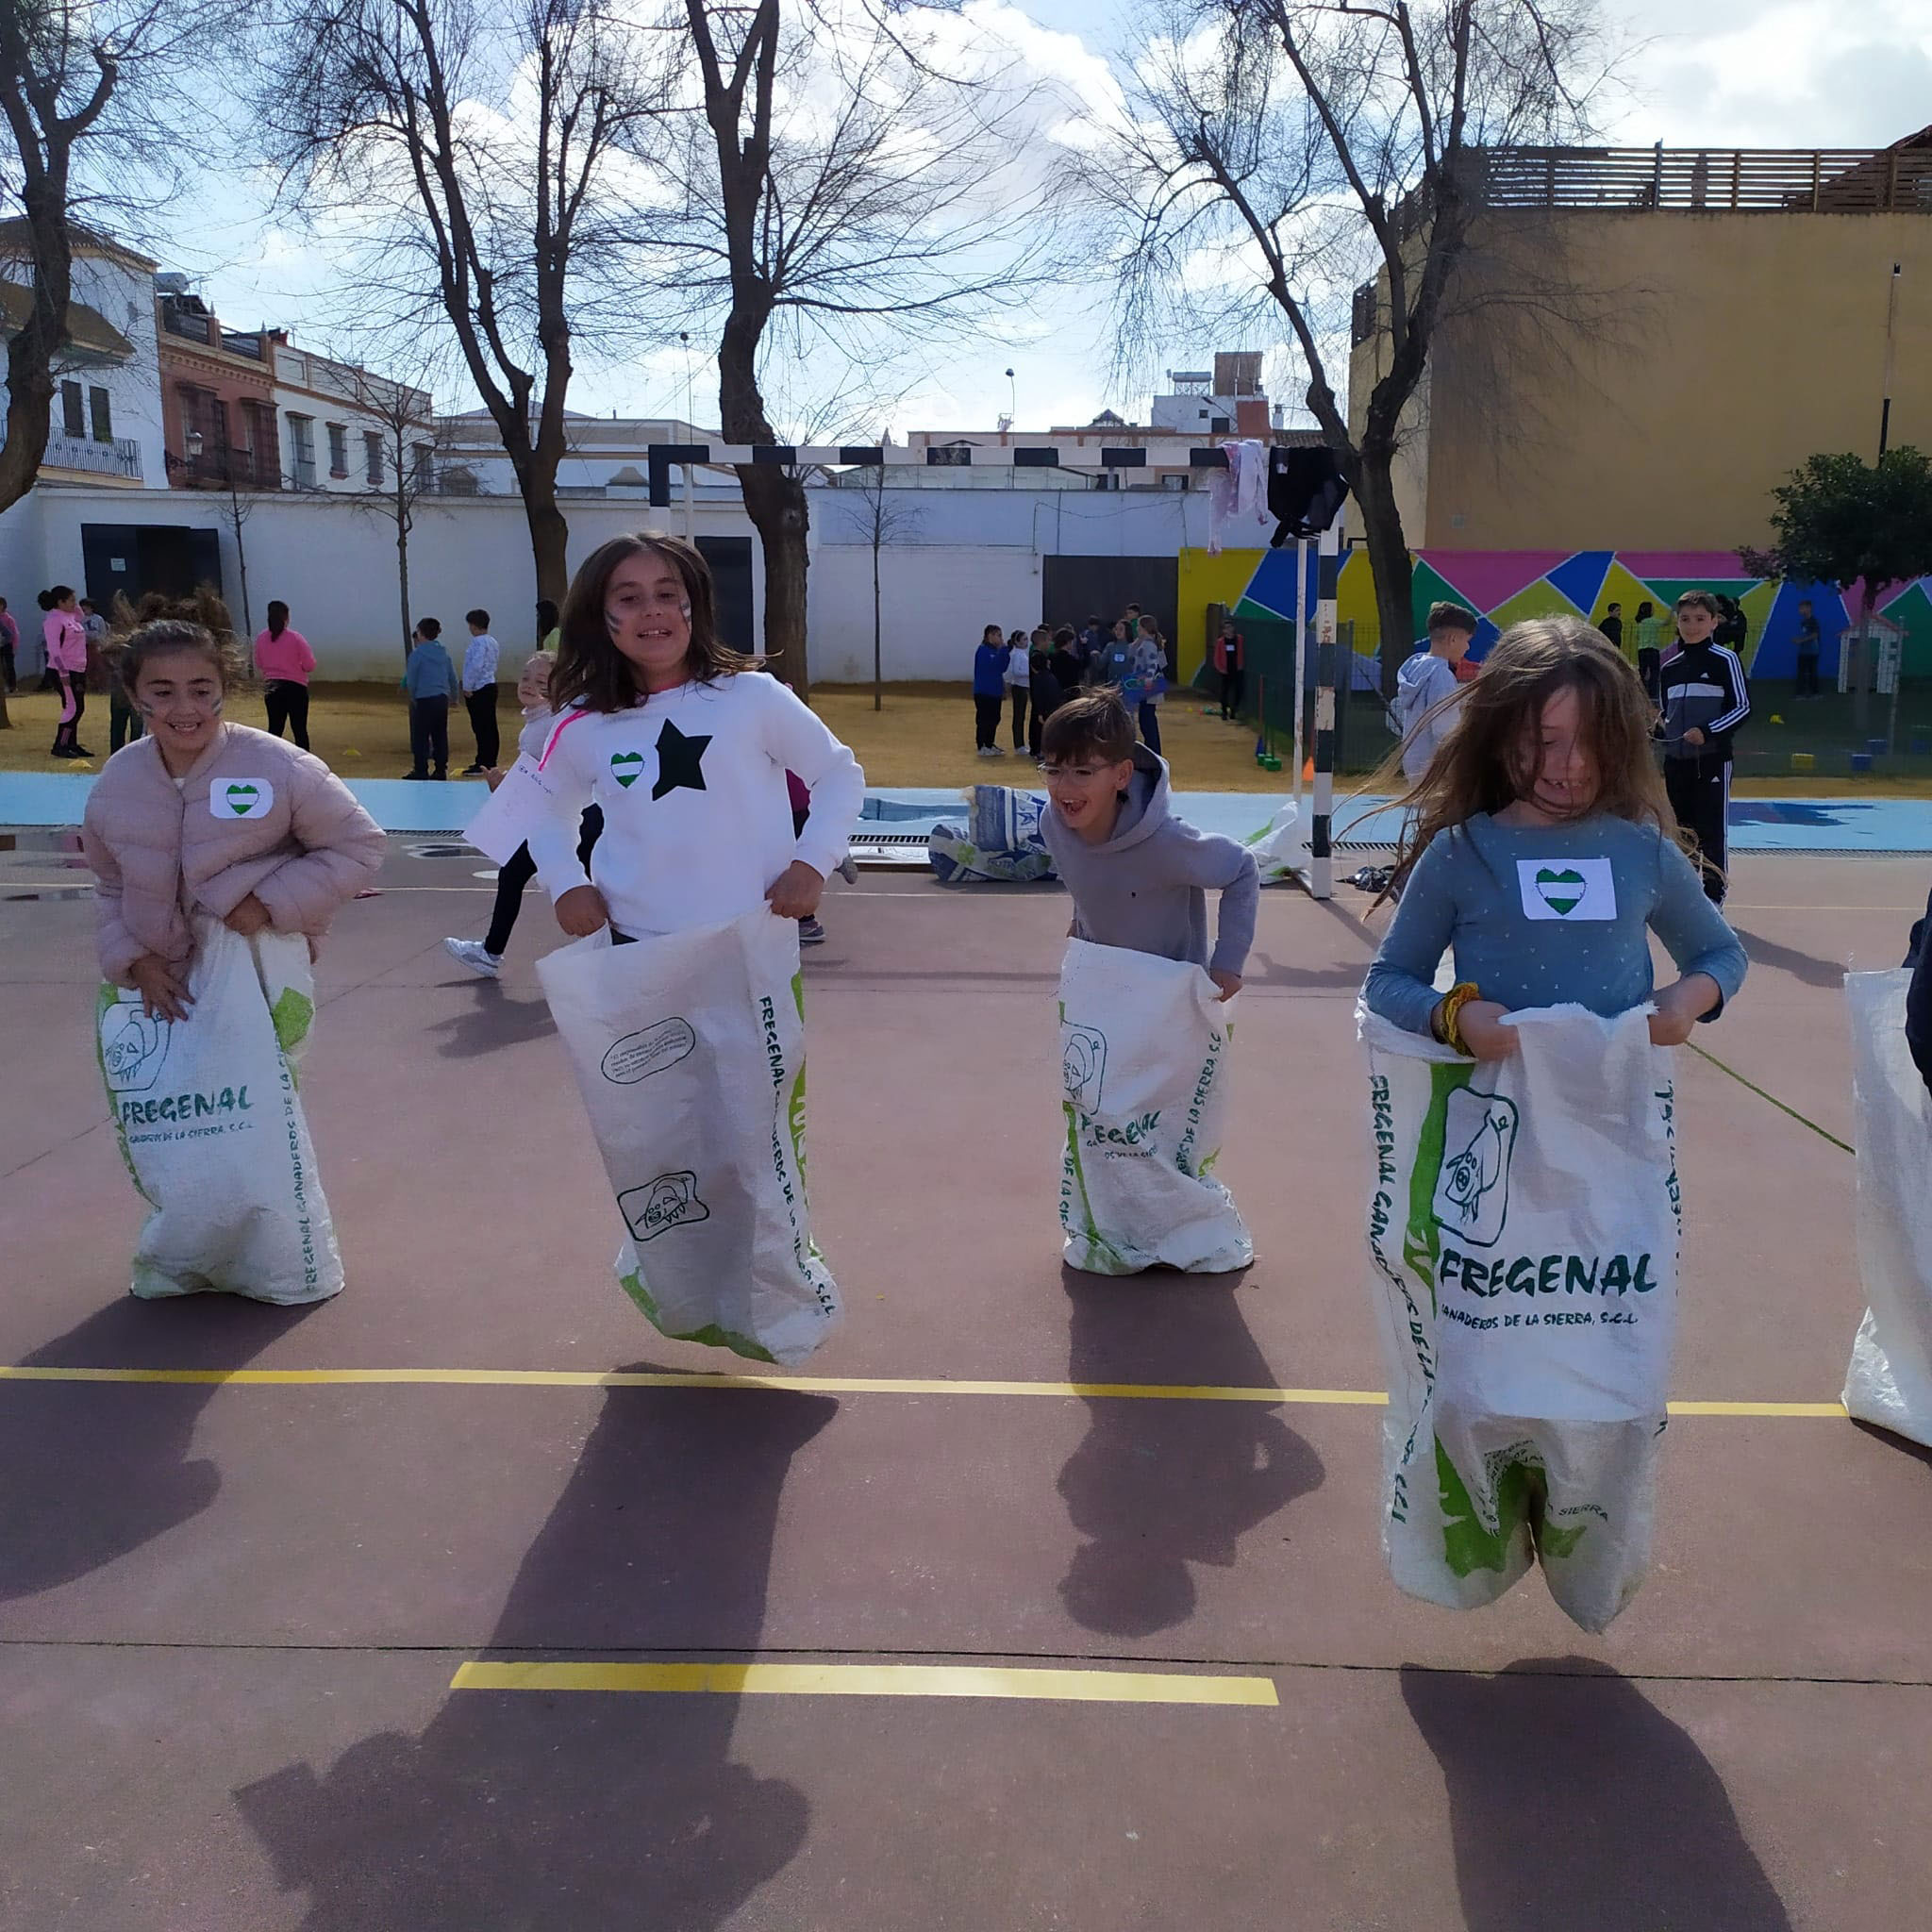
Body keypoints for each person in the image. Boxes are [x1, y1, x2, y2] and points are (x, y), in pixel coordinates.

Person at [78, 610, 384, 1297]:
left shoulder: (278, 766)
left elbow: (358, 846)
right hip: (159, 983)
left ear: (226, 687)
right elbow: (109, 884)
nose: (184, 708)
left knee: (254, 1125)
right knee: (177, 1130)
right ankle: (186, 1258)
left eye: (201, 689)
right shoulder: (119, 782)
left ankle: (282, 1265)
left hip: (259, 969)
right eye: (162, 692)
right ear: (133, 695)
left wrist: (269, 903)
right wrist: (135, 959)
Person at [1363, 616, 1746, 1067]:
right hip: (1493, 1105)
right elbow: (1388, 980)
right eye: (1545, 741)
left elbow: (1721, 953)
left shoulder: (1644, 850)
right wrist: (1451, 1016)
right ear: (1498, 738)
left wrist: (1685, 1002)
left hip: (1619, 1103)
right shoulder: (1459, 853)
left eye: (1595, 741)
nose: (1573, 763)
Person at [522, 530, 864, 955]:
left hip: (756, 940)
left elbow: (837, 773)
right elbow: (546, 808)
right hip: (633, 945)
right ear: (597, 614)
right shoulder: (581, 722)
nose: (652, 610)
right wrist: (566, 882)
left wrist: (812, 862)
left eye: (668, 594)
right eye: (629, 598)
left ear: (696, 605)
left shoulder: (754, 696)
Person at [1038, 688, 1257, 1002]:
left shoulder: (1165, 842)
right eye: (1053, 770)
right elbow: (1087, 868)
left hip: (1172, 995)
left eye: (1083, 772)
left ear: (1122, 775)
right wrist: (1079, 922)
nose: (1064, 787)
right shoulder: (1053, 824)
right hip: (1103, 982)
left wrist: (1228, 962)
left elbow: (1242, 869)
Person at [445, 652, 604, 979]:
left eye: (541, 681)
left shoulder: (545, 726)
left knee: (580, 886)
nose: (529, 685)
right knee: (524, 876)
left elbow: (540, 784)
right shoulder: (542, 721)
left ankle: (609, 954)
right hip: (572, 817)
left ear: (560, 687)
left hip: (574, 820)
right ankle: (492, 952)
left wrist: (503, 786)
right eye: (526, 677)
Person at [1657, 591, 1750, 907]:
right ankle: (1687, 898)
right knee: (1680, 832)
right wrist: (1658, 728)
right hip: (1676, 763)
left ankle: (1714, 897)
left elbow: (1742, 707)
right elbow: (1666, 713)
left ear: (1714, 622)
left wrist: (1708, 732)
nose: (1692, 626)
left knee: (1710, 830)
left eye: (1700, 619)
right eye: (1685, 619)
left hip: (1712, 760)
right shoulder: (1670, 668)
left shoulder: (1725, 660)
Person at [1391, 602, 1476, 784]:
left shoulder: (1415, 669)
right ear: (1453, 639)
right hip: (1436, 769)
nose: (1467, 648)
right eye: (1467, 641)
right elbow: (1445, 729)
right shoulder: (1441, 675)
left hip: (1414, 763)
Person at [255, 600, 316, 750]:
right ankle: (305, 759)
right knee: (299, 729)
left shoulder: (261, 638)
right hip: (296, 688)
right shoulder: (296, 638)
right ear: (286, 618)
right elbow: (310, 665)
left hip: (272, 688)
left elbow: (259, 663)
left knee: (275, 729)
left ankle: (269, 759)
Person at [402, 616, 458, 780]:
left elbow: (412, 679)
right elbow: (452, 677)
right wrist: (454, 696)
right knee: (440, 734)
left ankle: (421, 769)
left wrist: (413, 696)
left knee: (421, 735)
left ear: (420, 633)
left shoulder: (417, 654)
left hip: (424, 698)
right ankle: (440, 769)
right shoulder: (444, 654)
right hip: (441, 698)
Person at [41, 586, 90, 758]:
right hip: (64, 669)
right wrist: (63, 673)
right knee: (73, 708)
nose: (74, 604)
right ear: (60, 602)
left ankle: (71, 743)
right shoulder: (54, 620)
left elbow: (81, 615)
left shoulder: (71, 616)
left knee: (76, 707)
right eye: (70, 600)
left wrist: (74, 605)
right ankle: (60, 745)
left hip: (78, 668)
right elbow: (54, 650)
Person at [459, 608, 501, 774]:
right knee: (489, 726)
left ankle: (484, 761)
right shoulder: (492, 641)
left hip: (479, 688)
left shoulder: (478, 643)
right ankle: (489, 760)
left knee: (481, 727)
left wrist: (467, 687)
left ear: (474, 625)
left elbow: (475, 666)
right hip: (490, 685)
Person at [1128, 615, 1168, 756]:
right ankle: (1153, 750)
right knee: (1147, 718)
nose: (1137, 628)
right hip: (1145, 683)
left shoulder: (1148, 644)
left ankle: (1153, 751)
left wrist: (1149, 680)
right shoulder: (1147, 643)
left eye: (1139, 626)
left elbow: (1152, 664)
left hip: (1147, 685)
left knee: (1147, 719)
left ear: (1144, 627)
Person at [972, 622, 1008, 757]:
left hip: (995, 691)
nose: (1001, 638)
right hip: (984, 692)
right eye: (998, 635)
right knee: (984, 719)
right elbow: (992, 667)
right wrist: (1001, 651)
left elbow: (1002, 667)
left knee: (995, 718)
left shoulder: (996, 651)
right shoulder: (983, 650)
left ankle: (989, 743)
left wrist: (1004, 651)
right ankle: (981, 745)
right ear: (990, 636)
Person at [1027, 625, 1062, 758]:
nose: (1050, 643)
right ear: (1041, 641)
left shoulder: (1041, 655)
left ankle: (1037, 748)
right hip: (1040, 694)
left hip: (1041, 693)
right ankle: (1037, 749)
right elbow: (1040, 678)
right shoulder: (1037, 657)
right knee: (1038, 722)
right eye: (1048, 640)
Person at [105, 633, 142, 753]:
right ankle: (130, 755)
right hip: (130, 696)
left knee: (119, 728)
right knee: (133, 729)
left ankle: (119, 755)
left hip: (123, 695)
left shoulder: (121, 657)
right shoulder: (132, 658)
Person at [1633, 600, 1666, 708]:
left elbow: (1637, 636)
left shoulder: (1640, 623)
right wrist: (1672, 613)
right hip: (1653, 649)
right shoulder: (1653, 621)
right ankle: (1652, 693)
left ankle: (1641, 691)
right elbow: (1666, 623)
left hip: (1642, 649)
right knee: (1654, 671)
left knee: (1642, 671)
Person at [1213, 616, 1245, 721]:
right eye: (1226, 628)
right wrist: (1220, 668)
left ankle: (1233, 710)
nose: (1229, 630)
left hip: (1237, 669)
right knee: (1224, 692)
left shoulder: (1239, 639)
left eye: (1230, 627)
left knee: (1239, 691)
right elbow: (1216, 657)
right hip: (1225, 670)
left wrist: (1241, 665)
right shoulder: (1220, 642)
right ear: (1223, 630)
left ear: (1233, 628)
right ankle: (1224, 711)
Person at [1005, 625, 1032, 753]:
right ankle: (1019, 745)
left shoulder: (1021, 653)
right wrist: (1030, 673)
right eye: (1024, 639)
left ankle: (1020, 744)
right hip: (1019, 687)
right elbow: (1016, 671)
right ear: (1017, 642)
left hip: (1023, 686)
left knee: (1020, 716)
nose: (1027, 642)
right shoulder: (1016, 654)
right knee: (1019, 716)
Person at [1792, 598, 1823, 698]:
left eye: (1802, 608)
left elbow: (1815, 635)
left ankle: (1814, 693)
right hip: (1803, 651)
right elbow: (1807, 634)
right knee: (1802, 673)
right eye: (1800, 608)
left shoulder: (1813, 621)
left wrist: (1801, 640)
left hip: (1812, 652)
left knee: (1811, 672)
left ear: (1809, 608)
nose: (1800, 610)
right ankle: (1801, 693)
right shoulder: (1804, 621)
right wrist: (1799, 640)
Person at [79, 596, 108, 691]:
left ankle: (101, 686)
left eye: (85, 608)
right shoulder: (80, 620)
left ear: (91, 608)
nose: (84, 610)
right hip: (85, 646)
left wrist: (98, 641)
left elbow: (103, 633)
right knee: (88, 667)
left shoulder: (98, 619)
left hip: (96, 645)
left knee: (99, 666)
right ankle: (91, 685)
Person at [0, 595, 17, 693]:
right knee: (2, 667)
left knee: (9, 666)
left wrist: (14, 646)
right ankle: (4, 685)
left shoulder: (8, 618)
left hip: (7, 645)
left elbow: (13, 634)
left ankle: (12, 685)